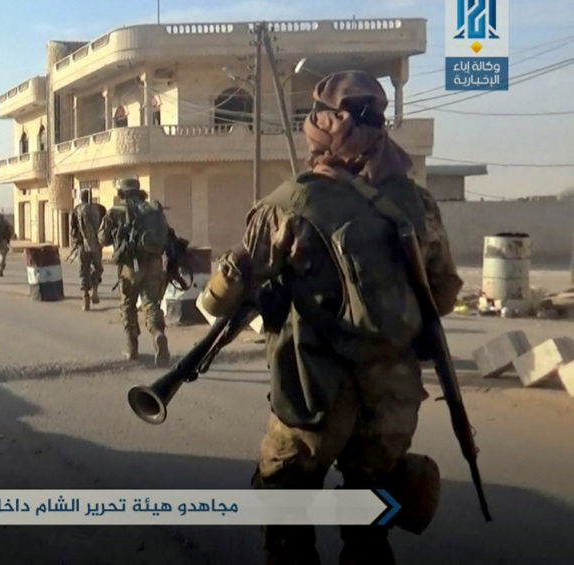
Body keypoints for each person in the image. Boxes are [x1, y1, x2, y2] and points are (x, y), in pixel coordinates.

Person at [198, 70, 463, 565]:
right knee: (369, 528)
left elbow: (221, 299)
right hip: (392, 402)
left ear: (322, 125)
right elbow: (443, 294)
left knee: (284, 508)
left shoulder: (290, 202)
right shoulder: (418, 203)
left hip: (312, 399)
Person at [98, 178, 170, 367]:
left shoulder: (115, 211)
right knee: (151, 303)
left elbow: (102, 238)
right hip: (154, 262)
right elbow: (166, 234)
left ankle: (132, 347)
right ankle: (158, 334)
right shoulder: (152, 210)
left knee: (127, 305)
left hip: (130, 266)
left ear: (121, 193)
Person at [70, 189, 107, 311]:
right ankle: (95, 290)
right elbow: (105, 228)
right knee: (98, 268)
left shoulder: (77, 210)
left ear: (81, 198)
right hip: (97, 245)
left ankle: (85, 297)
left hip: (82, 245)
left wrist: (76, 242)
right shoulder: (100, 209)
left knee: (83, 271)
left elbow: (73, 231)